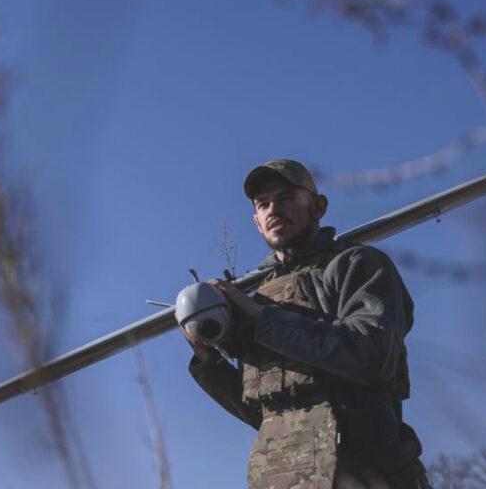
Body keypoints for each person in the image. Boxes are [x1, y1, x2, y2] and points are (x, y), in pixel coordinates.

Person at [182, 159, 431, 489]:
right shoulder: (256, 298)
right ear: (256, 222)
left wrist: (261, 318)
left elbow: (371, 355)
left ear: (318, 206)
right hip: (287, 478)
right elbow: (267, 412)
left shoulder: (357, 265)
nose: (274, 209)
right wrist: (208, 360)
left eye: (286, 198)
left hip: (371, 475)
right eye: (263, 204)